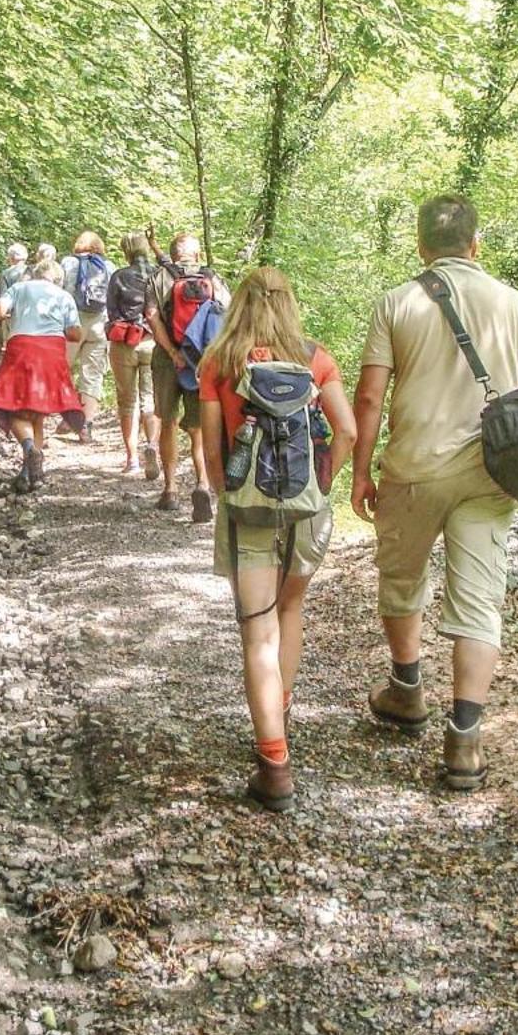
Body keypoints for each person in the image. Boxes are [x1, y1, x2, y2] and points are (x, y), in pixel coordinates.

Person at [350, 197, 518, 792]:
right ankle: (464, 740)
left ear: (420, 246)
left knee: (402, 578)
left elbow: (368, 397)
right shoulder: (514, 303)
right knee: (480, 600)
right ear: (475, 244)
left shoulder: (399, 302)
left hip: (414, 467)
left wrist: (360, 472)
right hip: (491, 473)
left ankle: (408, 692)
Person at [197, 267, 355, 813]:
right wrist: (325, 478)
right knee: (291, 610)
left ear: (238, 303)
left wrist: (223, 490)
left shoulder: (219, 361)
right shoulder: (316, 357)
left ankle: (274, 763)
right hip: (307, 505)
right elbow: (349, 430)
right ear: (290, 303)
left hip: (249, 508)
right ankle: (278, 710)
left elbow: (213, 446)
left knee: (256, 629)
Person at [0, 259, 85, 493]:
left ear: (36, 274)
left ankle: (29, 450)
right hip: (51, 352)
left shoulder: (20, 288)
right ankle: (32, 472)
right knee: (37, 412)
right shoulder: (64, 296)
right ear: (58, 278)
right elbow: (75, 334)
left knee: (16, 408)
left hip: (22, 349)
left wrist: (3, 316)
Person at [147, 233, 226, 521]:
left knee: (167, 420)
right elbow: (225, 316)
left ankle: (170, 490)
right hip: (202, 361)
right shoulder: (212, 278)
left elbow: (152, 316)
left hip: (169, 360)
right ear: (197, 253)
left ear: (173, 253)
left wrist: (171, 351)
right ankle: (203, 484)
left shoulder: (159, 277)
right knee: (199, 427)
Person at [105, 234, 162, 477]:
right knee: (151, 399)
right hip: (153, 342)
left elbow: (111, 312)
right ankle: (153, 446)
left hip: (125, 343)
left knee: (127, 402)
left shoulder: (119, 276)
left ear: (126, 251)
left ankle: (132, 460)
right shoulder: (159, 274)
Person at [59, 231, 113, 443]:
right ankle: (86, 425)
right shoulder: (109, 267)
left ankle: (69, 413)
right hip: (99, 324)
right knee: (93, 375)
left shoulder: (68, 263)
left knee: (63, 370)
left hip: (72, 323)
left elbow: (60, 292)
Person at [0, 243, 28, 374]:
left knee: (10, 349)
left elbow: (4, 297)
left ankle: (2, 382)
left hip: (11, 317)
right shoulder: (33, 271)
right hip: (28, 316)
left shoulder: (7, 273)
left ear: (11, 257)